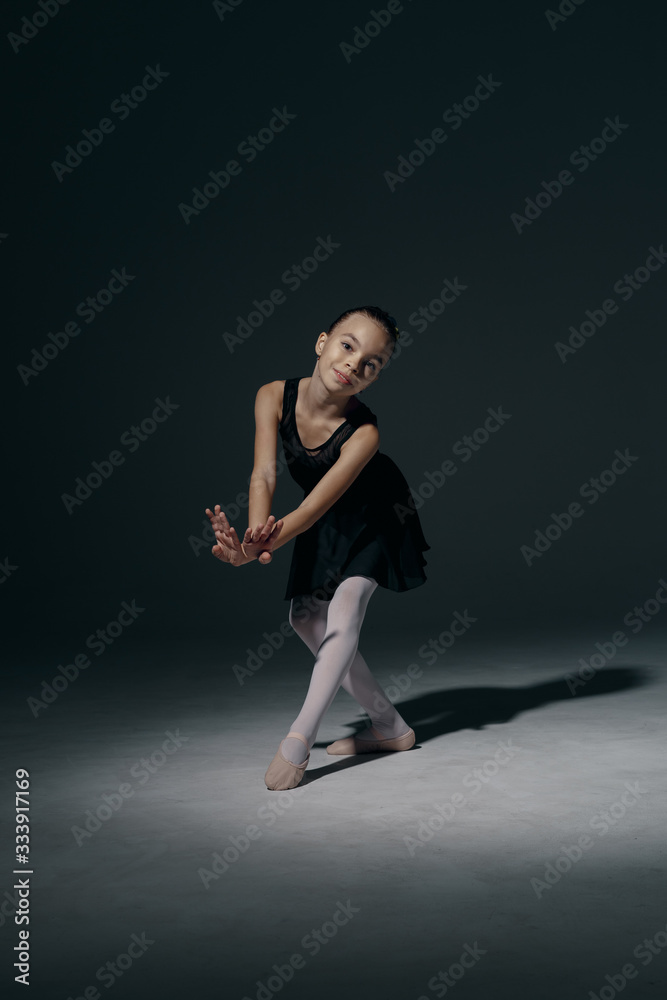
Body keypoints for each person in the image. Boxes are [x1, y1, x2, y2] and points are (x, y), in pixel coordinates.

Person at [205, 305, 430, 790]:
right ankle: (391, 727)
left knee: (344, 610)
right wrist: (253, 536)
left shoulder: (365, 433)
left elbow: (310, 511)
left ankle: (299, 740)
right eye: (348, 345)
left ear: (373, 379)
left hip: (376, 512)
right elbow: (264, 473)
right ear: (322, 341)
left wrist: (262, 546)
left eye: (371, 364)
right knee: (305, 618)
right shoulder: (272, 396)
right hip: (325, 515)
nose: (354, 363)